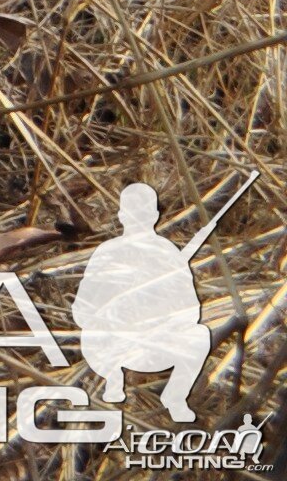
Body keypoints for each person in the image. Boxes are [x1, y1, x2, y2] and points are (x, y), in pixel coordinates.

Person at [70, 179, 209, 420]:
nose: (138, 218)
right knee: (92, 334)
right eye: (133, 212)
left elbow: (191, 310)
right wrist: (114, 313)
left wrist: (161, 316)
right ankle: (113, 384)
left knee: (199, 335)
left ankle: (175, 396)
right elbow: (82, 310)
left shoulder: (168, 252)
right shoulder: (107, 253)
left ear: (155, 215)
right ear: (122, 215)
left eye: (143, 212)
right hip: (113, 346)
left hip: (156, 343)